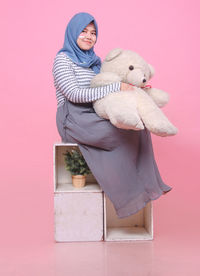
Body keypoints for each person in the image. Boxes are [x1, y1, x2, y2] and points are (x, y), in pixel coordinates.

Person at [52, 12, 172, 219]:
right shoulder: (62, 60)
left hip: (94, 112)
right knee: (117, 134)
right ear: (73, 33)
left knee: (138, 127)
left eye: (93, 32)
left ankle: (148, 186)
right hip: (73, 117)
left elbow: (106, 87)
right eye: (84, 31)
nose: (89, 36)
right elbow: (74, 94)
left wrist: (132, 88)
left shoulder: (95, 62)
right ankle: (130, 195)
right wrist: (116, 87)